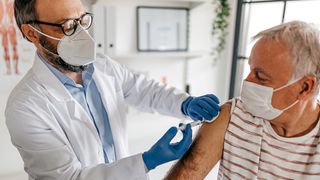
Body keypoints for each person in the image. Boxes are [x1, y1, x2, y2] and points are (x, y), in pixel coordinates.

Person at [5, 0, 221, 179]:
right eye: (68, 25)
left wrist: (184, 103)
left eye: (82, 20)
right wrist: (146, 162)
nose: (81, 34)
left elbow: (145, 91)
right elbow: (68, 178)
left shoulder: (102, 66)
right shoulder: (24, 107)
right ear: (32, 34)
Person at [165, 21, 320, 179]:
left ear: (305, 87)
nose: (247, 81)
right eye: (250, 69)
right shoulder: (232, 114)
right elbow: (188, 172)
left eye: (260, 76)